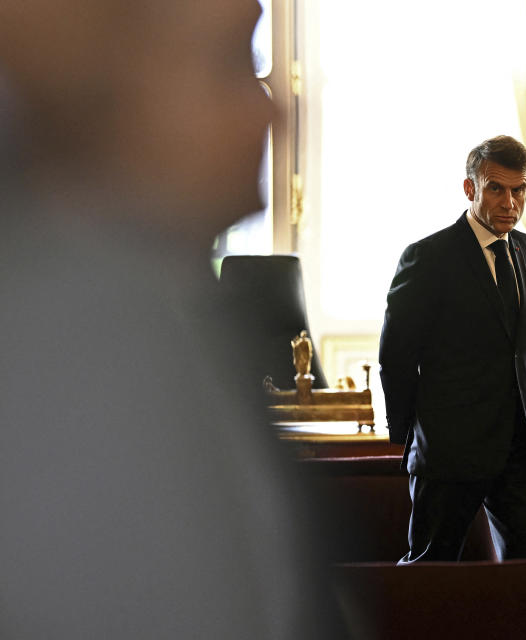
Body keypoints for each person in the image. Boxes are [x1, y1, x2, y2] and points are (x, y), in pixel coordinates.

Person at [0, 1, 337, 636]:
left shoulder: (167, 306)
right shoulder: (86, 342)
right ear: (102, 84)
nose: (273, 110)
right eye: (232, 62)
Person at [379, 135, 526, 563]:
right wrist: (411, 437)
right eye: (496, 188)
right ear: (470, 189)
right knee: (430, 573)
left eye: (519, 190)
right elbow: (395, 357)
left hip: (520, 449)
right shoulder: (428, 258)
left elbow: (514, 348)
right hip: (449, 451)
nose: (509, 202)